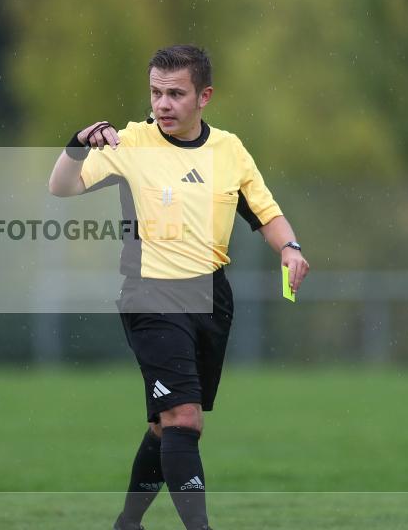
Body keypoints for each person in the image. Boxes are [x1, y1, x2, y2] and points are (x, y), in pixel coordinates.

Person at [48, 45, 309, 530]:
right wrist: (78, 142)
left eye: (175, 94)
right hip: (150, 294)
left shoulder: (229, 150)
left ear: (204, 96)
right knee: (184, 418)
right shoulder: (130, 144)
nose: (162, 104)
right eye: (155, 93)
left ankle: (127, 524)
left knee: (166, 425)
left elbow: (265, 212)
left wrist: (289, 248)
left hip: (211, 297)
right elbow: (61, 187)